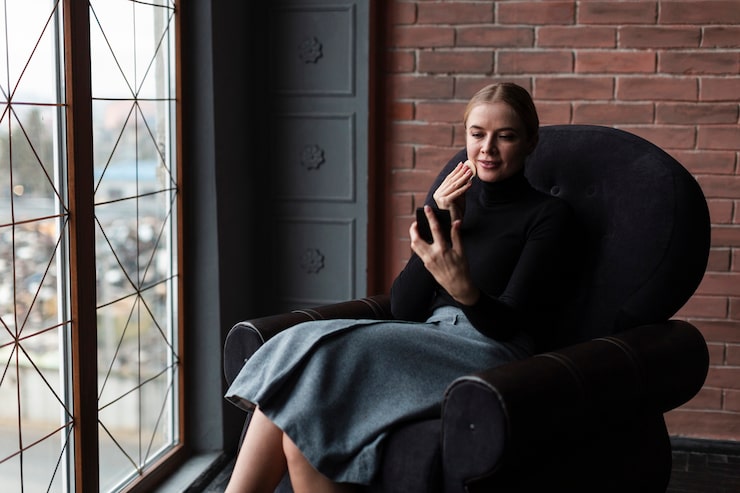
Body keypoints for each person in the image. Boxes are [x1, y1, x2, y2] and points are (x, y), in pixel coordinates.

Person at [224, 82, 579, 492]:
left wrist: (464, 290)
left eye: (506, 136)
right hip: (428, 335)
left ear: (530, 141)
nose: (487, 149)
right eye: (477, 134)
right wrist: (440, 219)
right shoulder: (452, 200)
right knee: (296, 405)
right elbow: (404, 307)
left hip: (490, 351)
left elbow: (510, 324)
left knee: (312, 363)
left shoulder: (550, 215)